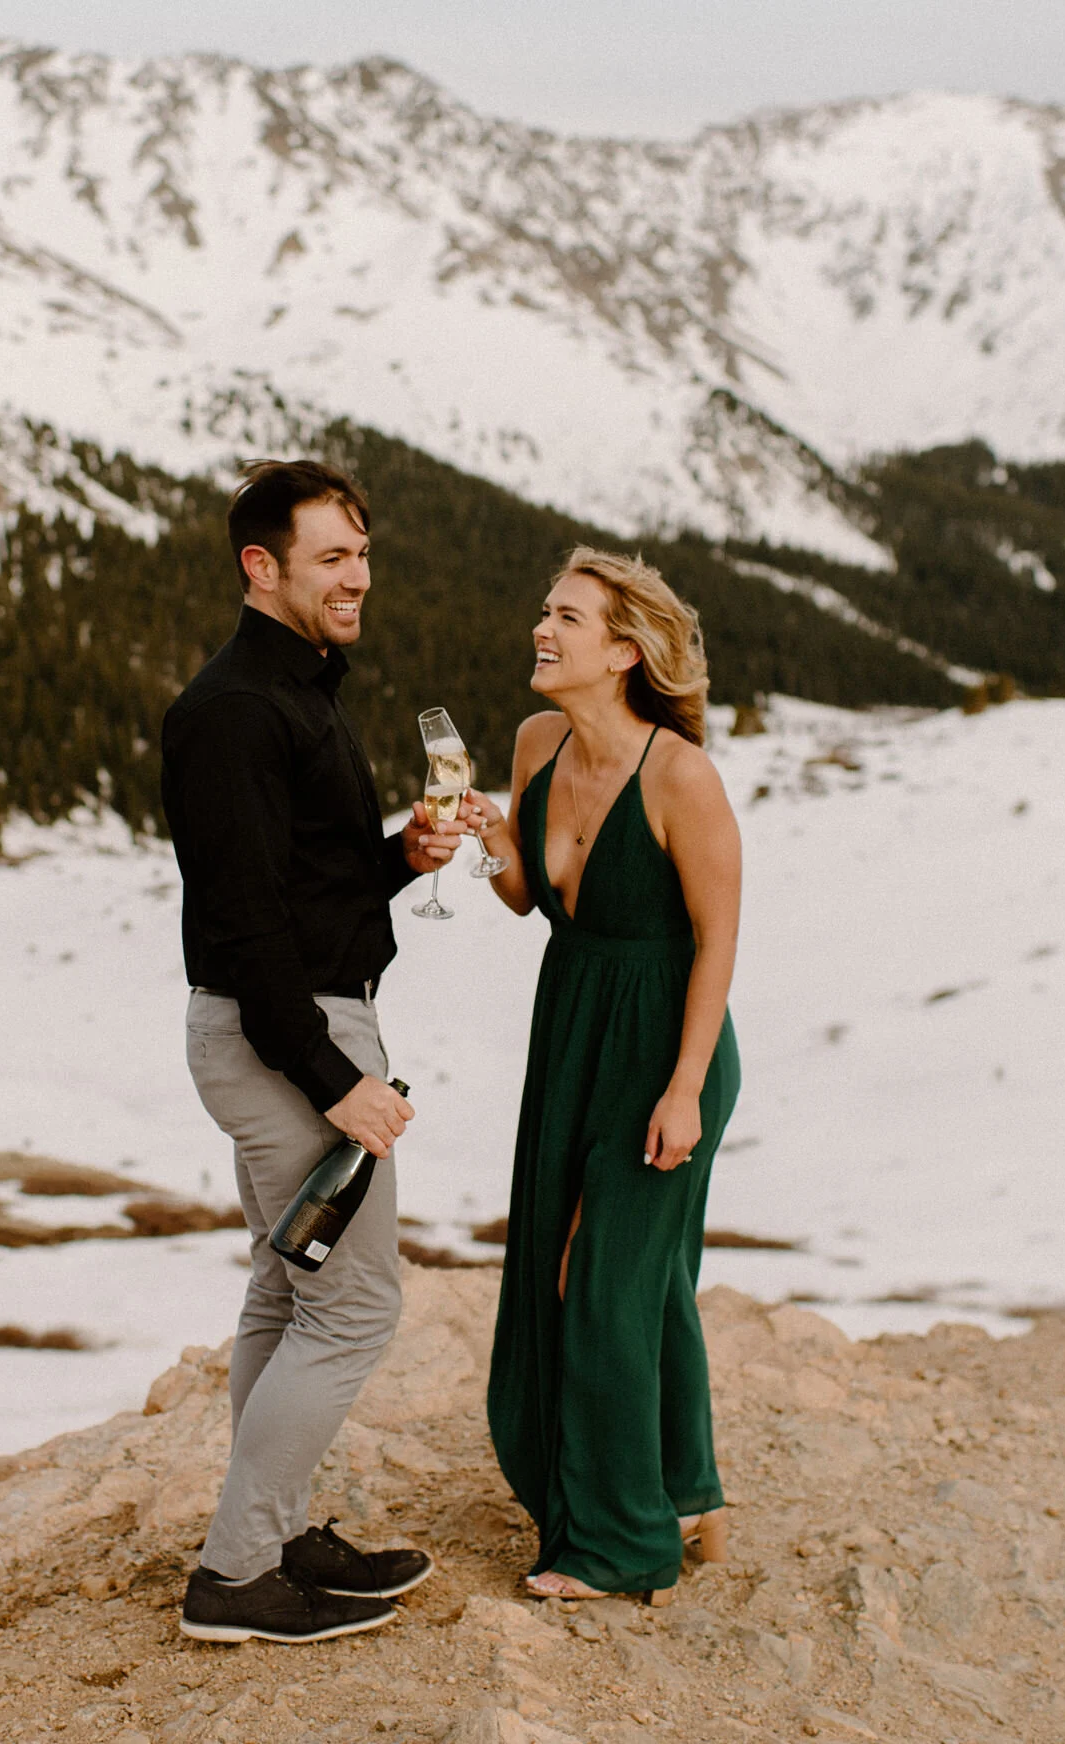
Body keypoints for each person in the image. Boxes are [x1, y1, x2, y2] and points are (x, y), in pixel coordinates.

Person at [160, 459, 467, 1644]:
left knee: (288, 1285)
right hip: (286, 1034)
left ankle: (275, 1533)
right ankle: (238, 1574)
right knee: (354, 1305)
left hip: (300, 1020)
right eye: (333, 556)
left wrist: (398, 857)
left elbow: (296, 882)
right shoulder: (235, 712)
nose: (359, 576)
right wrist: (339, 1084)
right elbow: (246, 930)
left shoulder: (296, 690)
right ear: (262, 565)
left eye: (363, 553)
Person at [463, 546, 744, 1603]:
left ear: (624, 653)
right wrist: (489, 835)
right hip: (572, 1027)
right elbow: (528, 895)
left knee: (603, 1281)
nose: (542, 629)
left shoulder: (680, 777)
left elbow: (717, 940)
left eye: (567, 618)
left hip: (666, 1046)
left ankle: (621, 1546)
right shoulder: (538, 742)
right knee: (628, 1275)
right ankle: (689, 1492)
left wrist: (684, 1089)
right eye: (546, 610)